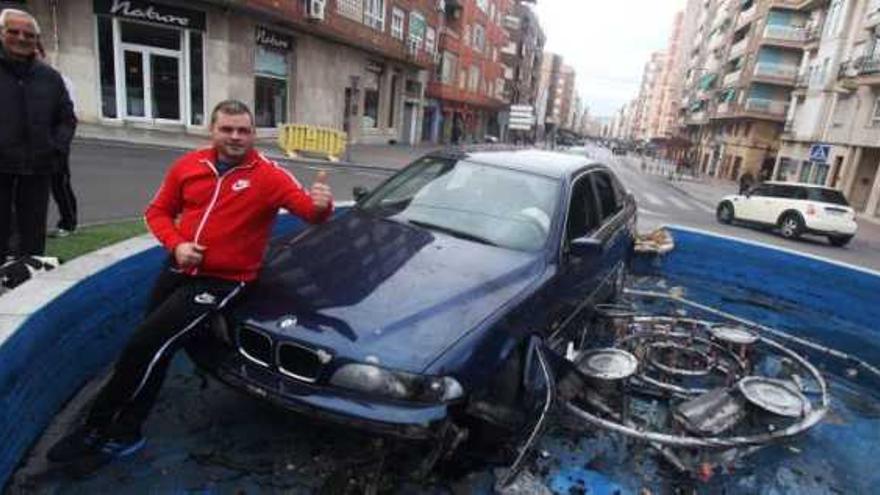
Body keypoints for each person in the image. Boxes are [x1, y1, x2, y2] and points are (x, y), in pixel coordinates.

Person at [46, 99, 333, 474]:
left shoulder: (269, 176)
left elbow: (309, 213)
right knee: (154, 350)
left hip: (224, 280)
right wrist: (177, 245)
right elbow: (157, 212)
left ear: (253, 134)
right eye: (227, 129)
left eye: (243, 130)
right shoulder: (189, 166)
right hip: (179, 268)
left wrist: (322, 205)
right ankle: (125, 430)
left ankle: (99, 428)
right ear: (211, 130)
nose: (235, 137)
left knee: (143, 346)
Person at [0, 9, 75, 262]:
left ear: (37, 40)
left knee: (33, 235)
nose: (21, 38)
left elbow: (66, 118)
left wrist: (56, 149)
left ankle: (31, 284)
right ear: (2, 34)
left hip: (37, 168)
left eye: (29, 35)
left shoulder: (50, 78)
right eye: (13, 32)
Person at [36, 41, 78, 238]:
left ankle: (68, 222)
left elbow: (68, 117)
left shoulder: (57, 80)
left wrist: (58, 146)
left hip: (54, 146)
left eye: (37, 50)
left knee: (59, 185)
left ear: (42, 53)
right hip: (22, 148)